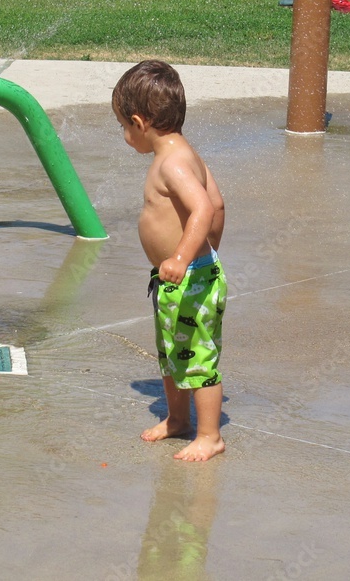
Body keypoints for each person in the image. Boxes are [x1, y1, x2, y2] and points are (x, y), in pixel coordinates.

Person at [112, 60, 227, 462]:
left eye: (125, 128)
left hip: (189, 277)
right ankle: (178, 419)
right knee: (172, 353)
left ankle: (210, 435)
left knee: (197, 357)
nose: (126, 137)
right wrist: (209, 249)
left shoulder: (173, 163)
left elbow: (202, 210)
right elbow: (218, 202)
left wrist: (183, 255)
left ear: (140, 122)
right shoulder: (186, 153)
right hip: (181, 277)